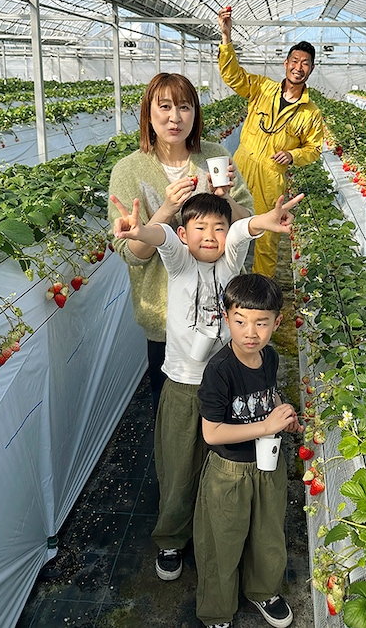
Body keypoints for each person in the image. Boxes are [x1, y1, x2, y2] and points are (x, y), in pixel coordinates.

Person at [110, 190, 303, 586]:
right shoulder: (180, 263)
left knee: (220, 467)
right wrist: (141, 231)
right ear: (186, 234)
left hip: (229, 384)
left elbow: (242, 230)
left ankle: (210, 536)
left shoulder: (231, 259)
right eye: (200, 228)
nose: (211, 236)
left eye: (218, 227)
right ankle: (170, 539)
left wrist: (264, 220)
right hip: (184, 383)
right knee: (179, 465)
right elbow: (161, 238)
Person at [108, 72, 254, 414]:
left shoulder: (214, 157)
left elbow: (246, 221)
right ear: (148, 114)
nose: (175, 117)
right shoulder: (128, 171)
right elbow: (133, 255)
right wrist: (166, 210)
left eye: (185, 107)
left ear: (195, 114)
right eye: (165, 107)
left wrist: (225, 199)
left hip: (222, 311)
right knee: (175, 412)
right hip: (164, 316)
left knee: (228, 406)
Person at [194, 273, 302, 628]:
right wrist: (266, 427)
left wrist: (282, 414)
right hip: (229, 472)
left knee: (268, 533)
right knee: (221, 542)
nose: (250, 332)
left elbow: (269, 396)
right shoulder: (219, 371)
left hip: (267, 463)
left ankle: (263, 591)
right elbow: (211, 433)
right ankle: (217, 610)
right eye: (240, 321)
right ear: (226, 319)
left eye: (261, 323)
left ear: (277, 322)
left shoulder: (268, 358)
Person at [216, 6, 324, 278]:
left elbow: (314, 149)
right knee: (224, 222)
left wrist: (293, 155)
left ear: (310, 70)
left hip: (271, 176)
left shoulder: (310, 112)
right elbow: (233, 76)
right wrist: (226, 38)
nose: (299, 68)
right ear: (286, 64)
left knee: (267, 235)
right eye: (295, 61)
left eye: (305, 63)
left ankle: (259, 289)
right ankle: (220, 278)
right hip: (241, 166)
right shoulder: (262, 88)